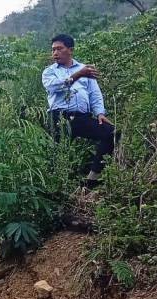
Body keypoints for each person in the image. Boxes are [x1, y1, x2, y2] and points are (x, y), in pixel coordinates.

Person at [42, 34, 119, 188]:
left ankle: (92, 179)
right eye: (53, 50)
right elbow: (53, 87)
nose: (55, 53)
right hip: (59, 118)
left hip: (81, 117)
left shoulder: (85, 70)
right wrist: (78, 75)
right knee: (56, 154)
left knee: (112, 133)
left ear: (70, 50)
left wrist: (100, 113)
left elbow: (94, 94)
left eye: (59, 49)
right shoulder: (49, 72)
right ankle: (57, 189)